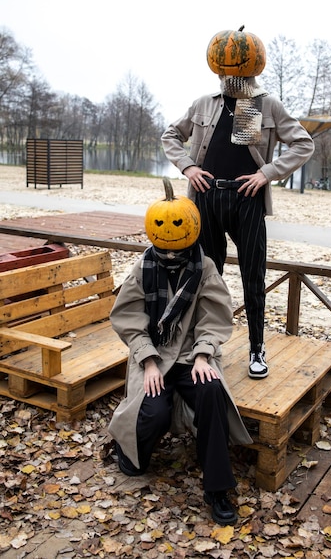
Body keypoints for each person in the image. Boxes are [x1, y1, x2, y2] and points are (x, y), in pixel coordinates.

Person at [161, 27, 315, 379]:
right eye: (225, 66)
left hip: (247, 201)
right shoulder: (204, 104)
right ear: (217, 66)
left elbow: (304, 144)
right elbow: (171, 135)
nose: (230, 72)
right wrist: (189, 167)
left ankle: (257, 349)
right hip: (206, 200)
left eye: (237, 66)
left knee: (253, 276)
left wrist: (268, 174)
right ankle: (204, 346)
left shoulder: (264, 105)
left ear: (253, 66)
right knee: (205, 275)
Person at [108, 181, 251, 526]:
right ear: (152, 227)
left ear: (192, 225)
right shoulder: (143, 269)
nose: (169, 233)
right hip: (153, 356)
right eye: (161, 224)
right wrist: (149, 360)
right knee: (152, 412)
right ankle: (129, 448)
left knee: (213, 390)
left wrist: (204, 354)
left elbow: (214, 318)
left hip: (189, 356)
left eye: (175, 224)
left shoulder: (204, 269)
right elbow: (127, 319)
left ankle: (217, 487)